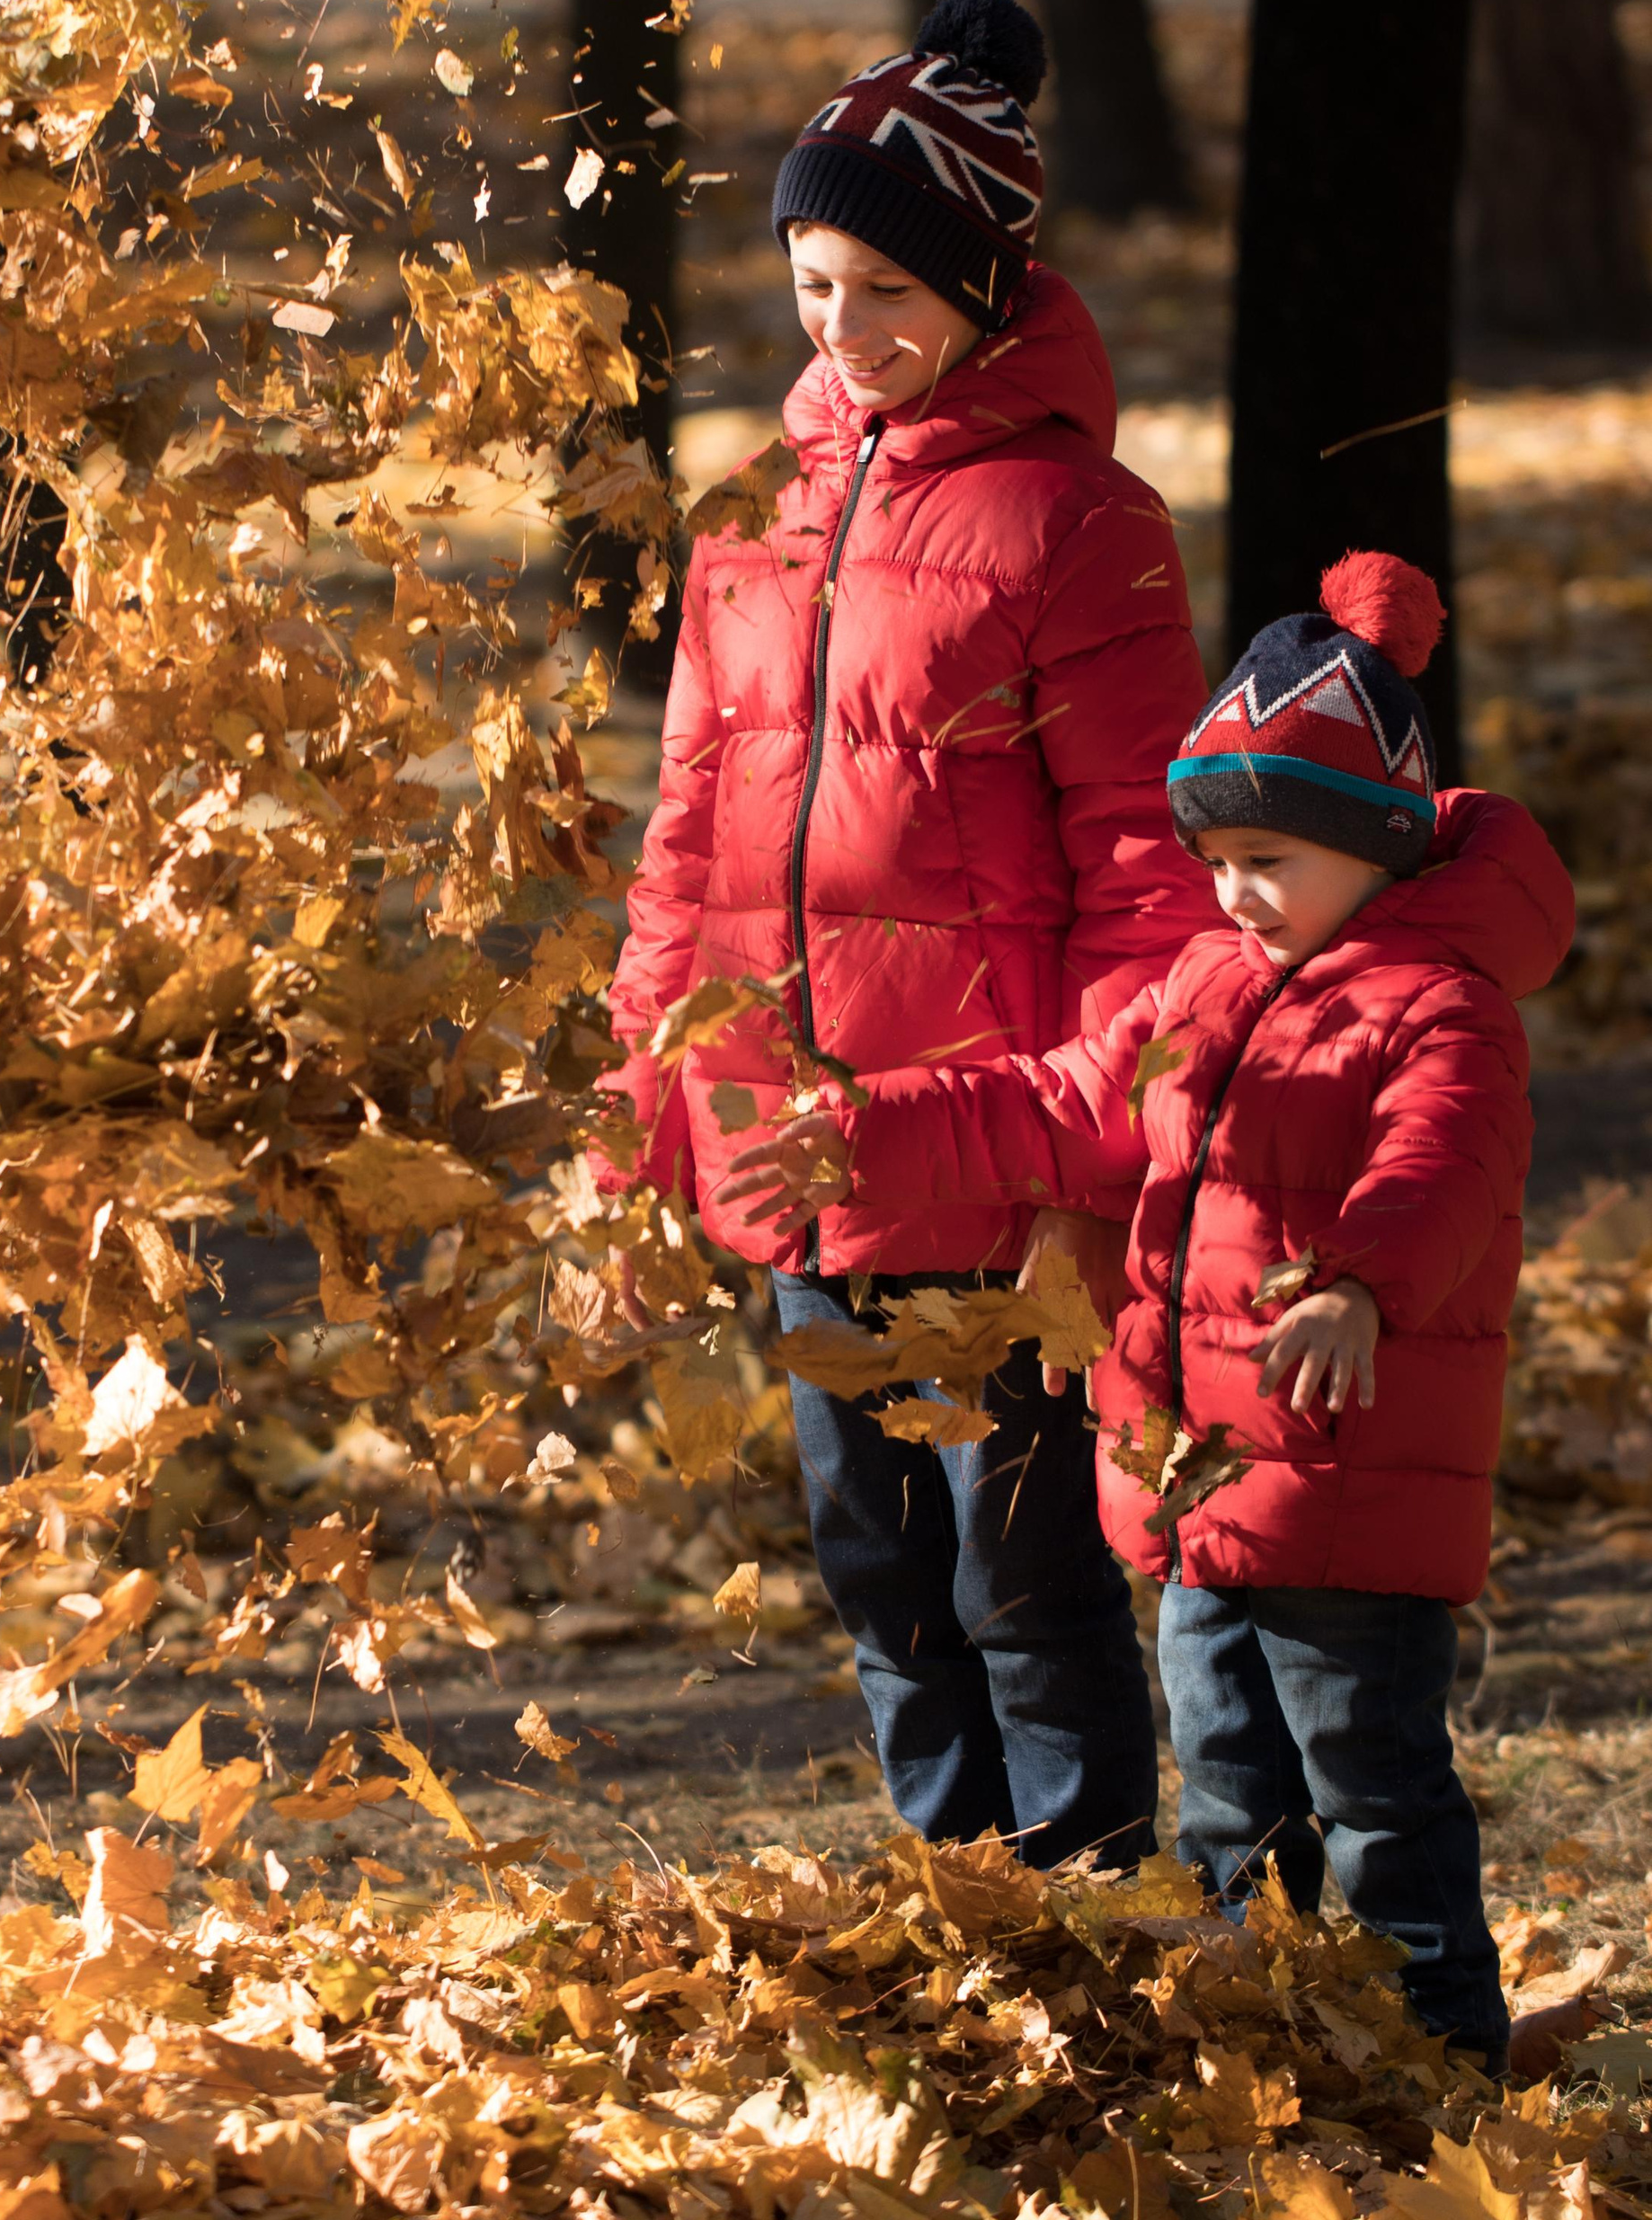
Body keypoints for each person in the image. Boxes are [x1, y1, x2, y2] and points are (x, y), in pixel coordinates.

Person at [718, 553, 1577, 2073]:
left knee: (1372, 1784)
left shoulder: (1442, 1009)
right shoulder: (1201, 983)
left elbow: (1442, 1169)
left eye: (1275, 860)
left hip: (1347, 1487)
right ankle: (1277, 2041)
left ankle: (1443, 2057)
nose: (1239, 892)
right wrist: (874, 1126)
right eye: (1222, 855)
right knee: (1234, 1789)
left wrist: (1364, 1282)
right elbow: (1056, 1105)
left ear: (1377, 847)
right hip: (1196, 1488)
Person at [594, 0, 1220, 1868]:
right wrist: (647, 1074)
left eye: (885, 288)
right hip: (790, 1148)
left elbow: (1144, 884)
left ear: (980, 282)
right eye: (811, 282)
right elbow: (686, 830)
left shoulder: (1078, 531)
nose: (845, 333)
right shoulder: (749, 519)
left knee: (1017, 1576)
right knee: (876, 1568)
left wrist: (1094, 1137)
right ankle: (958, 1908)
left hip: (987, 1161)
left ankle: (1087, 1925)